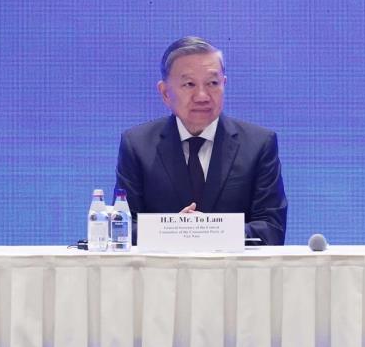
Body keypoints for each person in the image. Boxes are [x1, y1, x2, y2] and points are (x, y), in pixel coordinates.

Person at [116, 36, 288, 245]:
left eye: (212, 83)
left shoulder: (259, 144)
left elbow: (272, 229)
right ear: (165, 93)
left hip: (233, 266)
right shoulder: (137, 145)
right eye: (189, 84)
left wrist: (210, 231)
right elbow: (122, 229)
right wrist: (173, 230)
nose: (202, 96)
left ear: (224, 84)